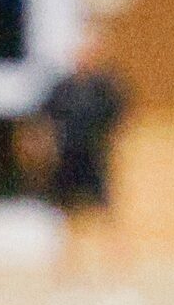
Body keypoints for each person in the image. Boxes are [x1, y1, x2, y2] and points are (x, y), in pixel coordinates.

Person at [33, 30, 129, 278]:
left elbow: (119, 119)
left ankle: (112, 276)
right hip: (68, 160)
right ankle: (69, 275)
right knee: (69, 220)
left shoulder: (106, 87)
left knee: (106, 218)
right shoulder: (62, 88)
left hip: (96, 159)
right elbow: (43, 122)